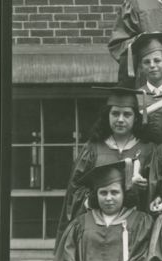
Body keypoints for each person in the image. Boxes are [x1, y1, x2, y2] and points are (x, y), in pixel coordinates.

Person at [58, 86, 152, 235]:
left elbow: (157, 192)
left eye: (127, 114)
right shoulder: (93, 148)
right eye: (115, 113)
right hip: (97, 228)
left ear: (136, 118)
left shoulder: (148, 150)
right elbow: (75, 190)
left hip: (135, 230)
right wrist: (99, 194)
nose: (120, 119)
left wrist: (144, 187)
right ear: (107, 115)